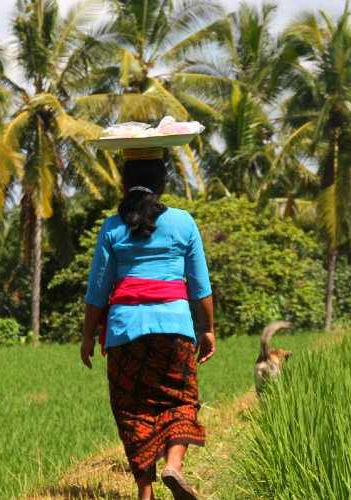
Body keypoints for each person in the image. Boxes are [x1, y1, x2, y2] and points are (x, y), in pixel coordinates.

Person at [80, 147, 215, 500]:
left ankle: (145, 491)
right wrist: (208, 329)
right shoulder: (183, 222)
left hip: (126, 332)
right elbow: (199, 285)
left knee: (131, 408)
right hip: (175, 328)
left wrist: (86, 336)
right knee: (181, 399)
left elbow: (98, 289)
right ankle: (174, 465)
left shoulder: (112, 226)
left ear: (125, 184)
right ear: (163, 182)